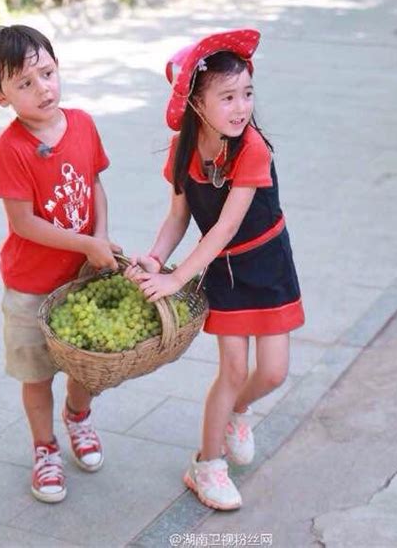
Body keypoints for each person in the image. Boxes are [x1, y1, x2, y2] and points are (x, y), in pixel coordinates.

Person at [125, 29, 304, 510]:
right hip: (223, 273)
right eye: (227, 96)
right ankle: (206, 466)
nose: (241, 106)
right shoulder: (182, 151)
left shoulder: (251, 149)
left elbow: (224, 227)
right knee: (231, 368)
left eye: (247, 93)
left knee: (273, 372)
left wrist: (175, 278)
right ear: (195, 103)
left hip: (267, 264)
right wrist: (155, 259)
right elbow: (179, 217)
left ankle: (236, 412)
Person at [0, 24, 120, 503]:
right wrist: (86, 243)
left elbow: (96, 185)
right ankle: (45, 448)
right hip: (30, 287)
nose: (43, 88)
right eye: (24, 83)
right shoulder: (11, 150)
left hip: (81, 279)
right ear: (0, 97)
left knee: (87, 366)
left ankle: (79, 416)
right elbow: (23, 224)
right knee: (36, 375)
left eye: (47, 73)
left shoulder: (82, 123)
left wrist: (98, 237)